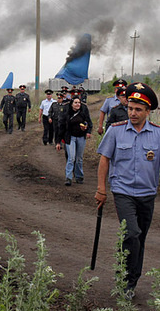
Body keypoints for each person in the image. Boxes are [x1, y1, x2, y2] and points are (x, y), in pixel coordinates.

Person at [95, 82, 160, 299]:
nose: (132, 112)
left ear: (147, 111)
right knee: (132, 233)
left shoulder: (158, 134)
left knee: (139, 238)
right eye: (131, 108)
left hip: (148, 194)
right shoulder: (115, 131)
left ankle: (132, 279)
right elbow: (104, 159)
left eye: (138, 109)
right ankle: (125, 280)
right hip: (123, 192)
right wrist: (101, 189)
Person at [55, 96, 93, 186]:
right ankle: (68, 177)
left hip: (81, 137)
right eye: (75, 103)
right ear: (72, 104)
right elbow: (61, 128)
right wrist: (58, 142)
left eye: (79, 103)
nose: (78, 104)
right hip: (70, 137)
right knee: (71, 157)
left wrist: (87, 131)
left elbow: (89, 122)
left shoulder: (83, 113)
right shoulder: (67, 114)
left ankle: (79, 176)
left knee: (79, 158)